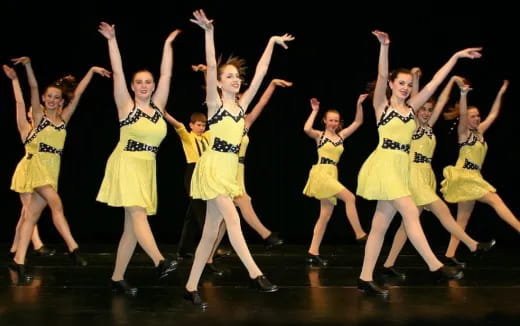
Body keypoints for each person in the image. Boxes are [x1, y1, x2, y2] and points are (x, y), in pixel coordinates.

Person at [356, 30, 481, 296]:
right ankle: (435, 266)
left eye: (408, 84)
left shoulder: (413, 108)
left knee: (380, 225)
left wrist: (456, 56)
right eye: (400, 83)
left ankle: (365, 278)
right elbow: (380, 75)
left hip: (402, 166)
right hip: (385, 163)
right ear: (392, 84)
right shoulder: (382, 106)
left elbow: (436, 82)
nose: (405, 87)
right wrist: (385, 46)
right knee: (411, 212)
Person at [185, 9, 294, 308]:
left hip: (230, 170)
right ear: (218, 83)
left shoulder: (242, 107)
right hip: (212, 167)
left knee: (209, 234)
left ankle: (190, 286)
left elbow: (260, 74)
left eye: (236, 76)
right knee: (232, 220)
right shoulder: (214, 105)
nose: (235, 80)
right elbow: (210, 65)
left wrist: (271, 43)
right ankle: (255, 273)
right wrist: (208, 33)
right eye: (228, 77)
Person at [381, 75, 496, 279]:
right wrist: (417, 83)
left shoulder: (428, 127)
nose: (426, 112)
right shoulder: (414, 124)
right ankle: (473, 245)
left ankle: (388, 265)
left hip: (426, 175)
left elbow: (442, 102)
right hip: (413, 174)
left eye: (429, 110)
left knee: (406, 225)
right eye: (423, 109)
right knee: (442, 209)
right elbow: (415, 100)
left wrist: (456, 88)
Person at [7, 56, 110, 281]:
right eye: (49, 97)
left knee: (31, 216)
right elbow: (32, 88)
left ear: (61, 99)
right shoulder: (38, 117)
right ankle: (73, 248)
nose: (53, 100)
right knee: (56, 203)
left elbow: (79, 95)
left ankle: (19, 260)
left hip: (52, 169)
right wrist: (28, 66)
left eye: (57, 97)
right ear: (43, 99)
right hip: (36, 166)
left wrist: (91, 70)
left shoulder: (63, 120)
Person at [96, 22, 180, 295]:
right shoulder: (126, 105)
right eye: (139, 82)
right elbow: (118, 71)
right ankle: (160, 261)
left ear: (153, 85)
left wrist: (167, 46)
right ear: (132, 87)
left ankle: (116, 278)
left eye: (148, 82)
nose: (144, 86)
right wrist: (112, 40)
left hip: (147, 166)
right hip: (126, 162)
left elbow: (167, 73)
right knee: (137, 213)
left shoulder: (158, 106)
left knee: (132, 228)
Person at [440, 80, 519, 266]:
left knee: (461, 221)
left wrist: (501, 92)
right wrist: (464, 94)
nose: (476, 118)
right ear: (466, 119)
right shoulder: (464, 134)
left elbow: (493, 114)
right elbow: (463, 113)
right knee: (495, 199)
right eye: (472, 116)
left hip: (474, 177)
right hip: (465, 177)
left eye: (477, 116)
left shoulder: (480, 132)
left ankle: (449, 256)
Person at [302, 94, 368, 267]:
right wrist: (314, 111)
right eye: (330, 120)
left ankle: (312, 252)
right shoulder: (319, 136)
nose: (333, 123)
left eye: (336, 121)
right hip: (321, 172)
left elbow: (358, 122)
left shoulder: (341, 137)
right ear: (325, 121)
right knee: (350, 198)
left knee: (324, 216)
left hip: (332, 173)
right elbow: (306, 129)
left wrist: (359, 104)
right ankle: (360, 234)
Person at [4, 65, 56, 260]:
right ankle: (37, 244)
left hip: (41, 172)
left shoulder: (48, 129)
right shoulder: (26, 129)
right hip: (26, 170)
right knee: (28, 211)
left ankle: (15, 248)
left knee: (25, 214)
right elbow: (19, 102)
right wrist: (15, 81)